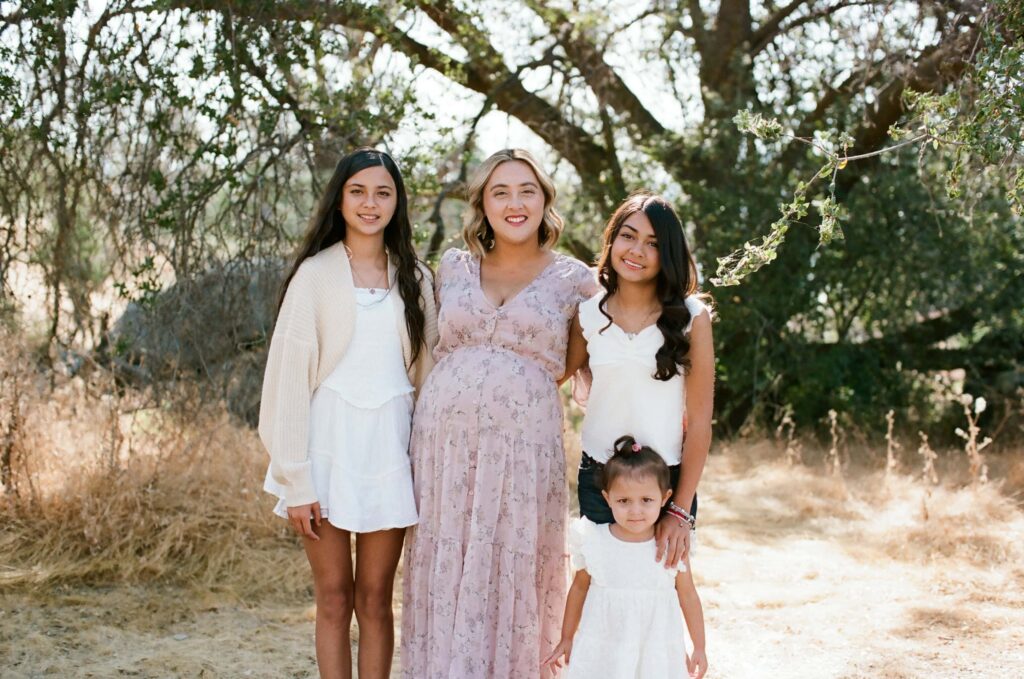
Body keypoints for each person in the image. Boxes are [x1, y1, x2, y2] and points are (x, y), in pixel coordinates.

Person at [401, 148, 599, 678]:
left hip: (522, 449)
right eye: (501, 192)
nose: (515, 203)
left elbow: (580, 358)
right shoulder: (452, 267)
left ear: (545, 201)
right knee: (448, 562)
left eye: (527, 190)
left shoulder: (575, 280)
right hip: (443, 447)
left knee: (510, 558)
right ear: (482, 205)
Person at [258, 147, 438, 679]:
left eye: (383, 192)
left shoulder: (418, 279)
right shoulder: (315, 276)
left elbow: (431, 376)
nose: (370, 203)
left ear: (397, 202)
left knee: (377, 598)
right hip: (326, 453)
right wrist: (296, 479)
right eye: (358, 191)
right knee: (334, 597)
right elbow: (287, 380)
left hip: (388, 452)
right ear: (339, 200)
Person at [566, 190, 714, 567]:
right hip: (601, 480)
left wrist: (680, 509)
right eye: (628, 236)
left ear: (668, 254)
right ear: (612, 240)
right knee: (601, 592)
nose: (636, 250)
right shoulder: (587, 316)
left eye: (653, 243)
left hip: (664, 485)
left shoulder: (692, 318)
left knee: (657, 592)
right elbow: (548, 378)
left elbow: (699, 422)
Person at [542, 435, 708, 679]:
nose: (635, 511)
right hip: (603, 647)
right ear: (608, 498)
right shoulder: (594, 540)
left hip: (655, 649)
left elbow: (688, 595)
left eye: (646, 500)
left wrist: (700, 646)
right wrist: (566, 637)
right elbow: (578, 589)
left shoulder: (670, 545)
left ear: (664, 498)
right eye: (623, 501)